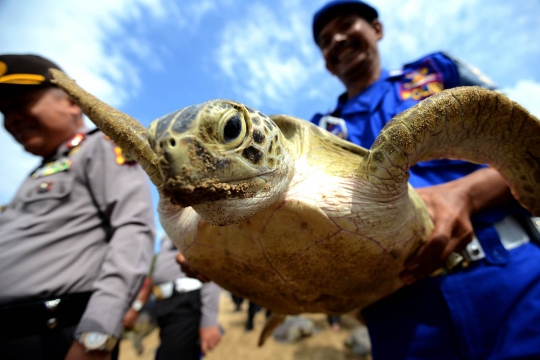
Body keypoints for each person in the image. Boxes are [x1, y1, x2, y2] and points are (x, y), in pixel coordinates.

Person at [310, 1, 540, 359]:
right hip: (401, 319)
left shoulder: (434, 71)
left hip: (513, 281)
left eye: (345, 25)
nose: (337, 39)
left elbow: (527, 144)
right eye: (325, 40)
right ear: (325, 62)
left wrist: (467, 193)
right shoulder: (318, 132)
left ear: (377, 29)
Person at [0, 54, 156, 360]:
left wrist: (97, 335)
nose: (12, 119)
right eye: (4, 112)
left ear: (73, 102)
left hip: (54, 336)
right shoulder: (37, 173)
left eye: (21, 103)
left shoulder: (100, 146)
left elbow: (132, 229)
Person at [123, 235, 222, 359]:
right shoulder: (167, 236)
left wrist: (209, 321)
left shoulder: (192, 226)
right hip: (165, 305)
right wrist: (137, 307)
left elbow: (210, 265)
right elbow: (155, 277)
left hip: (185, 304)